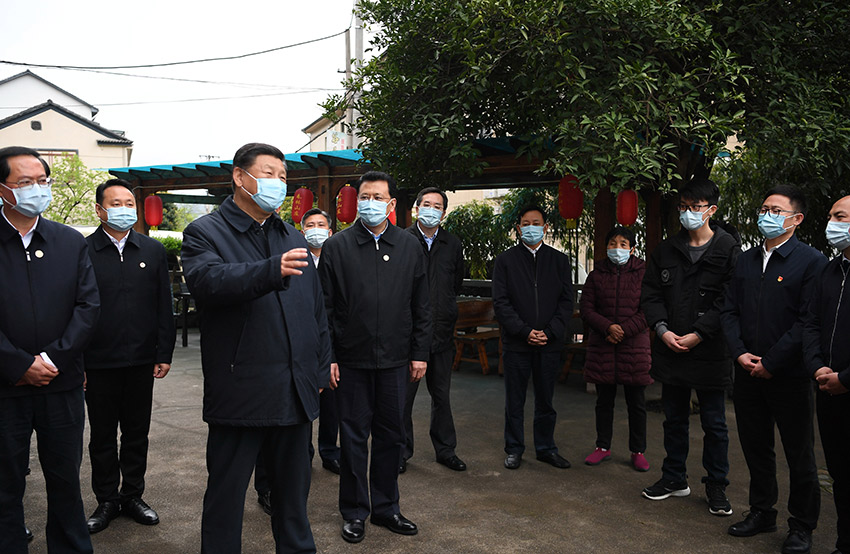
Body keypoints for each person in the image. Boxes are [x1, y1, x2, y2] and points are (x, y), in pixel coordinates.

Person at [181, 143, 331, 554]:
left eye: (283, 177)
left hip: (295, 390)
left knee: (293, 499)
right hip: (241, 389)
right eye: (268, 174)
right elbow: (208, 282)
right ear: (240, 177)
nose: (277, 183)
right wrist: (269, 271)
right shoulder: (205, 232)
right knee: (227, 496)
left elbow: (316, 312)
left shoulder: (292, 234)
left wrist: (318, 369)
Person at [319, 170, 431, 544]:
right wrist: (328, 357)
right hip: (351, 361)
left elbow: (422, 305)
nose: (370, 203)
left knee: (391, 436)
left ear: (392, 204)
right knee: (352, 438)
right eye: (364, 196)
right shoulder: (337, 247)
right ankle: (354, 512)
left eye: (377, 197)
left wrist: (419, 353)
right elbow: (325, 308)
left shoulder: (410, 246)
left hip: (397, 361)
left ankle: (387, 507)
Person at [0, 146, 100, 553]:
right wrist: (18, 364)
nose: (36, 189)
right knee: (5, 483)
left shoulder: (69, 240)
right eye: (25, 182)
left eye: (42, 181)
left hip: (61, 382)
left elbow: (88, 306)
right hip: (5, 387)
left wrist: (53, 358)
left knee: (64, 479)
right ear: (3, 189)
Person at [721, 185, 825, 553]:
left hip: (789, 376)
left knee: (799, 453)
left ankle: (801, 525)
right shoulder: (746, 260)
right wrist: (739, 354)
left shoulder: (812, 261)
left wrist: (772, 361)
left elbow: (807, 320)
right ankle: (762, 512)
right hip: (747, 372)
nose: (767, 215)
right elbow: (729, 310)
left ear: (796, 219)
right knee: (755, 447)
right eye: (764, 208)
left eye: (776, 210)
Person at [640, 177, 740, 517]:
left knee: (714, 423)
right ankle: (673, 478)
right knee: (674, 419)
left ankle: (716, 486)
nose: (687, 213)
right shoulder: (667, 249)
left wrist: (699, 333)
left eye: (694, 207)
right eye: (682, 207)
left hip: (710, 350)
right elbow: (651, 294)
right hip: (671, 347)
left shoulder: (728, 250)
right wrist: (662, 329)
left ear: (711, 210)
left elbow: (730, 300)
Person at [83, 178, 176, 534]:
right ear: (99, 209)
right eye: (115, 203)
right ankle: (107, 498)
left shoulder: (151, 251)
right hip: (98, 362)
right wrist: (79, 361)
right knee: (102, 435)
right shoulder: (84, 251)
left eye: (128, 203)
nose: (123, 209)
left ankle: (133, 494)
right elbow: (75, 307)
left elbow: (162, 306)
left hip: (141, 360)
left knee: (137, 433)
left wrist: (163, 352)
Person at [492, 205, 573, 470]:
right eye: (525, 223)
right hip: (517, 343)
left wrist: (549, 333)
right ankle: (514, 448)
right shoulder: (505, 260)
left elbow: (566, 302)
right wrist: (524, 331)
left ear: (546, 227)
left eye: (536, 222)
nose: (531, 227)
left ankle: (546, 448)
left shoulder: (559, 261)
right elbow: (501, 302)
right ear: (518, 228)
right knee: (514, 399)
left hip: (549, 344)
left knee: (546, 399)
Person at [401, 187, 466, 473]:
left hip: (441, 332)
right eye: (426, 204)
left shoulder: (453, 243)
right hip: (407, 335)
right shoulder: (402, 240)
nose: (431, 209)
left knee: (442, 396)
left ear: (443, 212)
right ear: (416, 209)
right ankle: (401, 452)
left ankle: (446, 449)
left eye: (437, 206)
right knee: (404, 399)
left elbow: (456, 282)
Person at [580, 226, 652, 472]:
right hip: (603, 345)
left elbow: (649, 309)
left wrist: (623, 330)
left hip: (634, 347)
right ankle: (602, 446)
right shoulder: (596, 274)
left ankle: (638, 450)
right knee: (604, 401)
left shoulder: (644, 273)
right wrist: (608, 327)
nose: (617, 248)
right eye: (612, 243)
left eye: (623, 244)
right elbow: (587, 308)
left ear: (632, 248)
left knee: (636, 403)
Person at [803, 194, 850, 554]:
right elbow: (811, 324)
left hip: (845, 386)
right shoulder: (829, 271)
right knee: (840, 474)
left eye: (841, 216)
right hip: (827, 389)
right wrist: (818, 366)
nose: (832, 223)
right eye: (833, 215)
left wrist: (845, 378)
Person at [302, 208, 340, 475]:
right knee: (303, 404)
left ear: (330, 231)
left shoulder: (339, 259)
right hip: (303, 344)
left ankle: (330, 451)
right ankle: (304, 455)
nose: (316, 229)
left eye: (321, 225)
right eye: (310, 225)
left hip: (333, 343)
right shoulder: (295, 260)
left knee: (332, 404)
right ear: (303, 231)